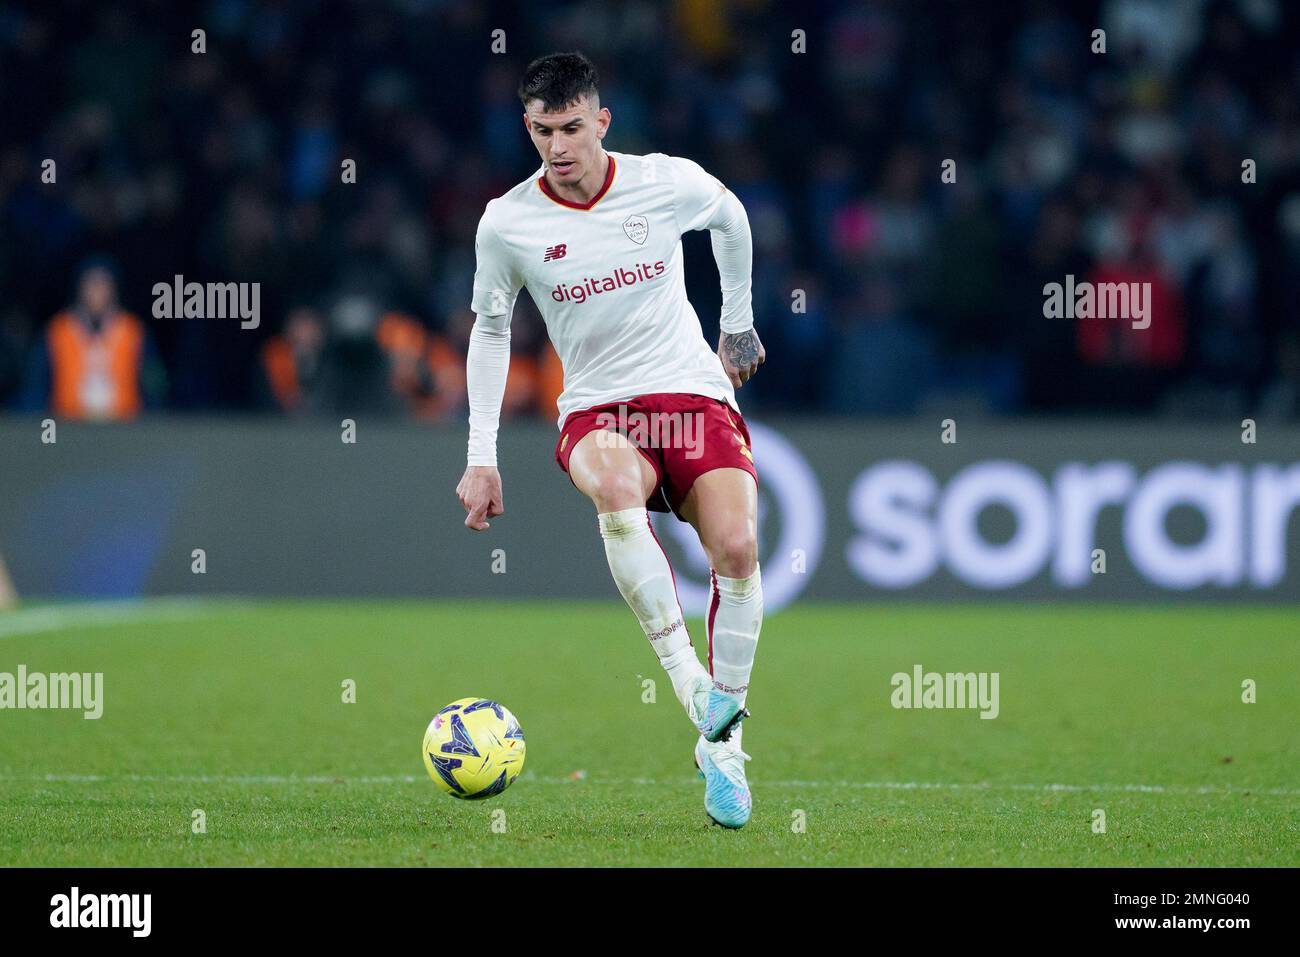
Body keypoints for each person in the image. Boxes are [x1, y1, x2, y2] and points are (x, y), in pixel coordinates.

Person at [455, 52, 766, 828]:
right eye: (540, 130)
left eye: (569, 128)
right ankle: (689, 680)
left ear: (601, 121)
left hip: (691, 390)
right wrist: (481, 455)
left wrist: (737, 322)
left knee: (737, 547)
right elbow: (490, 330)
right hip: (599, 406)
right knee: (618, 493)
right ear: (526, 127)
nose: (557, 147)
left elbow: (729, 215)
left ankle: (723, 751)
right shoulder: (509, 221)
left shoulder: (662, 181)